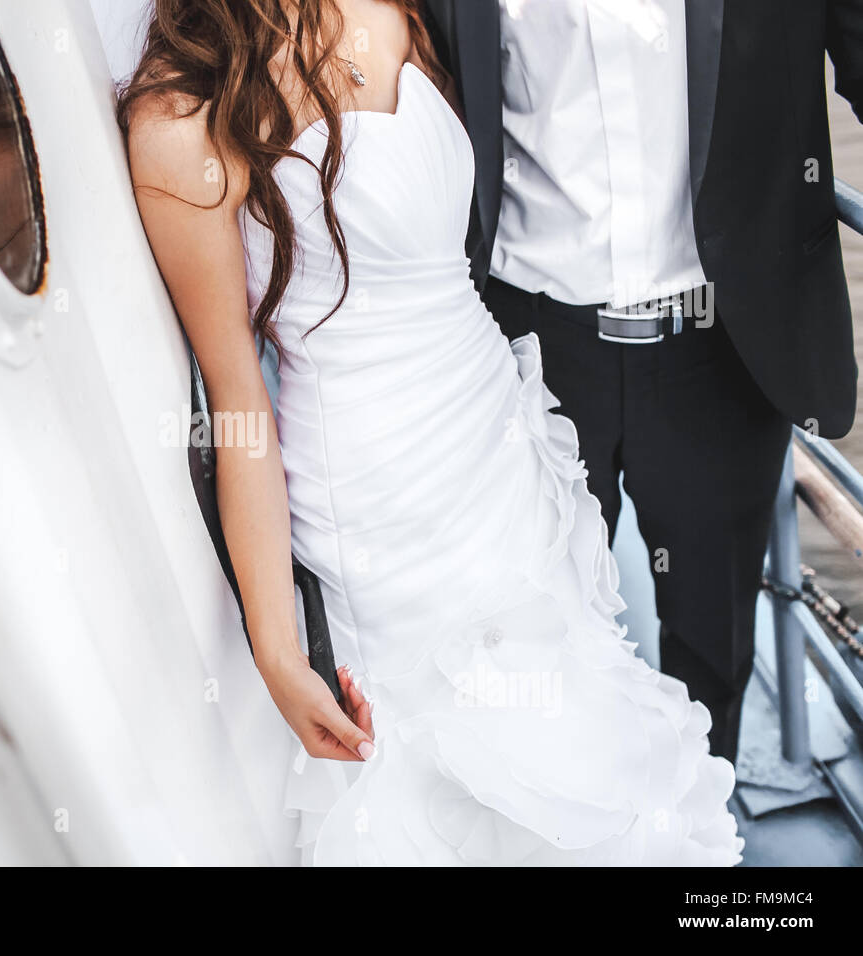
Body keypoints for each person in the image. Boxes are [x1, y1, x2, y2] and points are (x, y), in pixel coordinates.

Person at [120, 0, 742, 865]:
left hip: (499, 445)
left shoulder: (392, 9)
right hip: (376, 498)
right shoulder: (180, 118)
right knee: (443, 775)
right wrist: (274, 645)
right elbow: (237, 397)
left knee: (568, 728)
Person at [420, 0, 862, 763]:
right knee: (532, 643)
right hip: (526, 349)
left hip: (723, 353)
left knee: (712, 649)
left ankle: (701, 844)